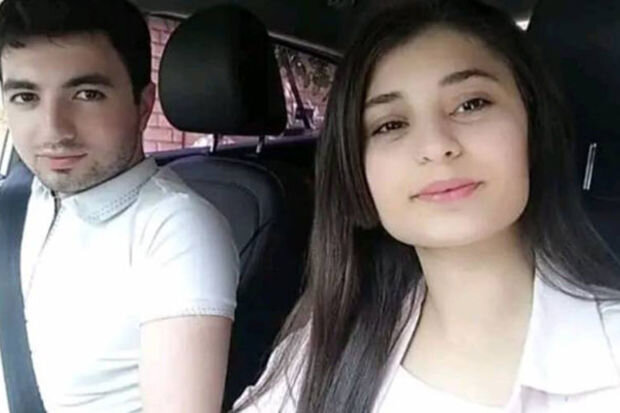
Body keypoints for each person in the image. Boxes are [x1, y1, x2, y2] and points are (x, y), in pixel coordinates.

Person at [233, 0, 620, 411]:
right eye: (391, 125)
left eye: (471, 104)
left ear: (533, 124)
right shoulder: (318, 355)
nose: (436, 146)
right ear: (356, 170)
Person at [0, 0, 239, 412]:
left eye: (87, 94)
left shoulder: (176, 228)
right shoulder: (21, 202)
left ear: (143, 106)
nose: (54, 130)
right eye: (26, 96)